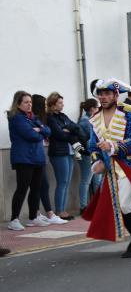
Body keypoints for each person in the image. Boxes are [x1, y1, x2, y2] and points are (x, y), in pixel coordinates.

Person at [83, 78, 131, 258]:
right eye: (101, 94)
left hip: (130, 164)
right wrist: (97, 161)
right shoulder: (94, 119)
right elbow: (92, 146)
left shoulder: (130, 112)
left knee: (126, 203)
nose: (103, 97)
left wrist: (114, 146)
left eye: (107, 94)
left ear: (115, 95)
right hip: (111, 168)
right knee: (119, 204)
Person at [7, 91, 52, 231]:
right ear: (18, 103)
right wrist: (39, 132)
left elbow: (48, 131)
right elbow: (30, 135)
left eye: (30, 102)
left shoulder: (33, 117)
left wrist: (39, 129)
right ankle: (14, 219)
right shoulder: (16, 118)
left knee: (36, 189)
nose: (29, 104)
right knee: (22, 188)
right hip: (24, 158)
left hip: (37, 157)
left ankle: (33, 217)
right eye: (26, 102)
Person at [30, 94, 68, 225]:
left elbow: (48, 132)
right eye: (44, 104)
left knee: (42, 185)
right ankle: (40, 214)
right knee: (36, 186)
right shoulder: (32, 118)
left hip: (40, 155)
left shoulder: (38, 119)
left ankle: (42, 213)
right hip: (32, 157)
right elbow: (37, 133)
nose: (46, 107)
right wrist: (42, 131)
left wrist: (41, 130)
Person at [47, 92, 81, 220]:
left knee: (66, 182)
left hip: (68, 151)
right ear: (53, 104)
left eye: (62, 102)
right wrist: (67, 130)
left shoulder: (63, 116)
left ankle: (63, 210)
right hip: (58, 153)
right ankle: (59, 211)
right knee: (62, 182)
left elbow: (76, 128)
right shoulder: (50, 118)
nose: (62, 104)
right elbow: (59, 135)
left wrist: (67, 129)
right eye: (60, 102)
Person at [77, 98, 101, 213]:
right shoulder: (86, 121)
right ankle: (83, 206)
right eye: (97, 107)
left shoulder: (91, 119)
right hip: (87, 154)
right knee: (86, 180)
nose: (99, 109)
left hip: (94, 154)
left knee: (96, 180)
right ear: (92, 109)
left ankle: (97, 204)